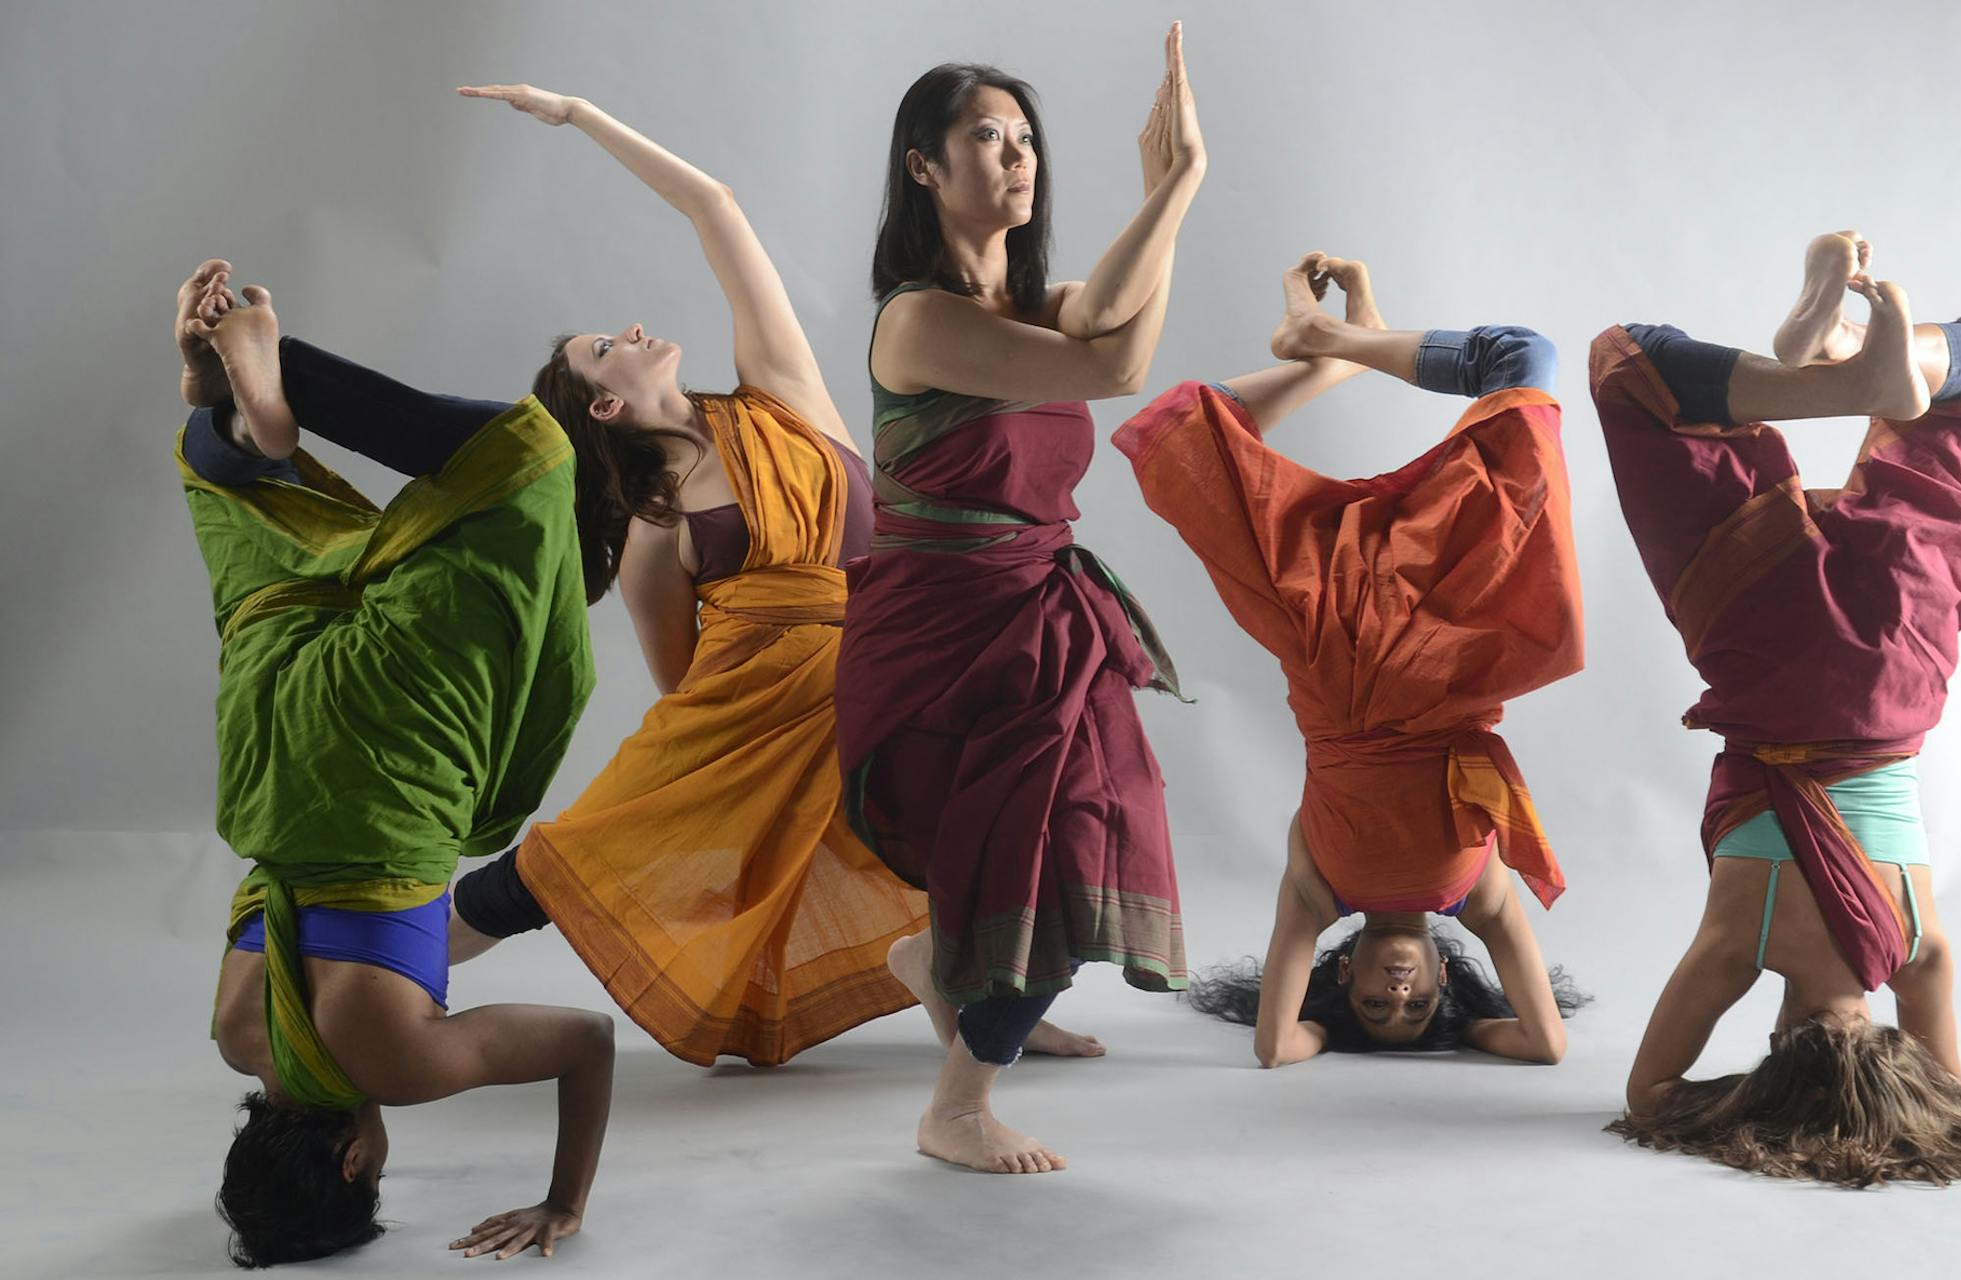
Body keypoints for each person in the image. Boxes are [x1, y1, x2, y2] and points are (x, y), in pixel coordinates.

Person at [441, 84, 930, 1068]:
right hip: (751, 720)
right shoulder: (655, 531)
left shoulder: (783, 392)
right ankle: (368, 964)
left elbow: (715, 205)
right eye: (602, 349)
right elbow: (685, 683)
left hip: (899, 672)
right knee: (555, 866)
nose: (626, 330)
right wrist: (735, 785)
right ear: (606, 409)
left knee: (987, 822)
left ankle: (1007, 1008)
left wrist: (581, 114)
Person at [175, 261, 613, 1264]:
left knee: (528, 463)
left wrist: (562, 1202)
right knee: (241, 515)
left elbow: (589, 1039)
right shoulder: (238, 1033)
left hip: (385, 759)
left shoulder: (404, 1062)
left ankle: (281, 388)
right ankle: (232, 424)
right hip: (274, 746)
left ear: (350, 1163)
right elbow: (321, 1000)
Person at [835, 24, 1205, 1173]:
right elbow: (1115, 366)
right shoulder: (917, 319)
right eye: (986, 136)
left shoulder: (1041, 302)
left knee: (1085, 820)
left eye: (1028, 139)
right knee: (1033, 842)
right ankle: (957, 1104)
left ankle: (950, 972)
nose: (1017, 156)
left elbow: (1111, 329)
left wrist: (1167, 207)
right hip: (940, 629)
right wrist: (1180, 184)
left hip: (1035, 610)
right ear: (923, 166)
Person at [1595, 232, 1961, 1185]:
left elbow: (1948, 1091)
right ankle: (1830, 374)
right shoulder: (1741, 944)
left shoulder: (1918, 951)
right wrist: (1743, 1113)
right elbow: (1649, 1095)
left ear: (1888, 1051)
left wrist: (1912, 1114)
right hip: (1764, 643)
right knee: (1634, 374)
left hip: (1897, 656)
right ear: (1778, 1052)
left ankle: (1862, 367)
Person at [1117, 255, 1586, 1066]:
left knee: (1188, 434)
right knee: (1527, 368)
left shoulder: (1316, 894)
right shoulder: (1477, 896)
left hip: (1327, 641)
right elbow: (1546, 1047)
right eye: (1416, 1005)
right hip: (1450, 650)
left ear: (1341, 970)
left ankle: (1336, 346)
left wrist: (1327, 1029)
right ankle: (1345, 343)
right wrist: (1466, 1031)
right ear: (1445, 972)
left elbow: (1273, 1048)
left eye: (1375, 1002)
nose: (1397, 993)